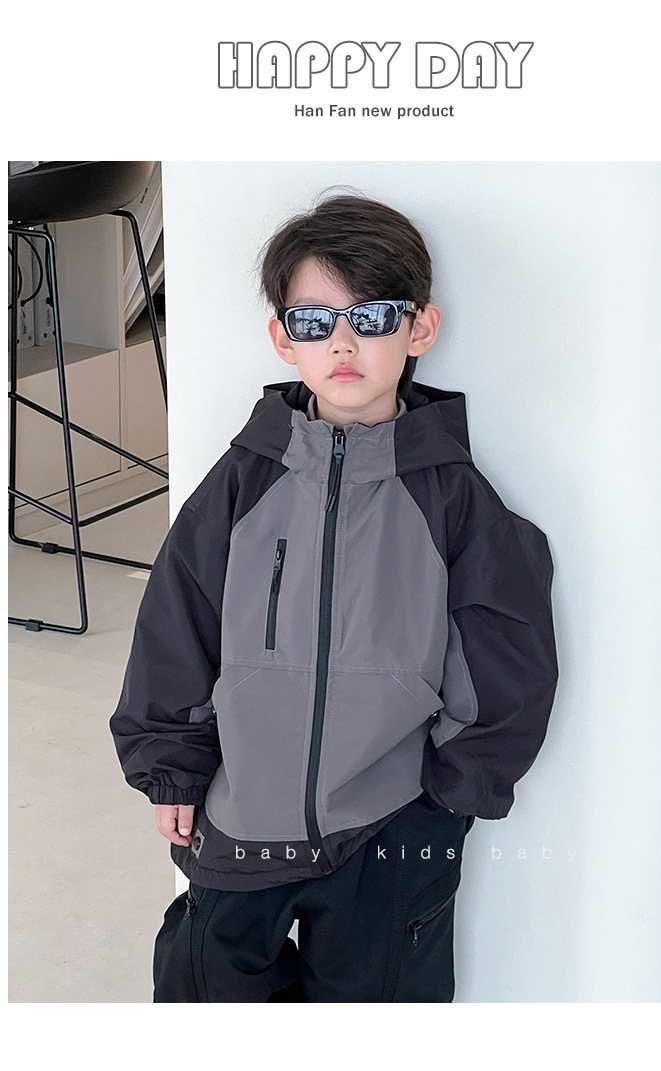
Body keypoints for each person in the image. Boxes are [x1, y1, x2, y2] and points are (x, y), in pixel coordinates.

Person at [109, 191, 559, 1002]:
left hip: (393, 824)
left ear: (420, 329)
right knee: (200, 993)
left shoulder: (454, 498)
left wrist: (453, 795)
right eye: (315, 321)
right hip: (241, 811)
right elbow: (176, 625)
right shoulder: (242, 483)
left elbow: (506, 649)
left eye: (373, 317)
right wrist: (170, 767)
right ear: (285, 338)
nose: (343, 342)